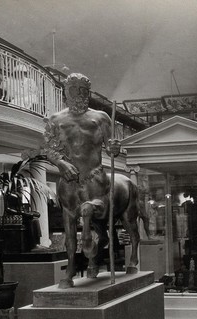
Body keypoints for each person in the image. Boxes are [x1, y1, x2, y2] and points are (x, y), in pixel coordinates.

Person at [42, 73, 145, 286]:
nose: (78, 94)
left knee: (94, 210)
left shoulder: (100, 117)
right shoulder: (55, 120)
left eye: (83, 90)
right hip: (69, 179)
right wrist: (60, 163)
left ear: (87, 93)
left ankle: (128, 253)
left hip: (96, 176)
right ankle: (70, 270)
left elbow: (111, 147)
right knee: (69, 220)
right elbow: (49, 149)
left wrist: (115, 148)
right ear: (66, 91)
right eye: (74, 89)